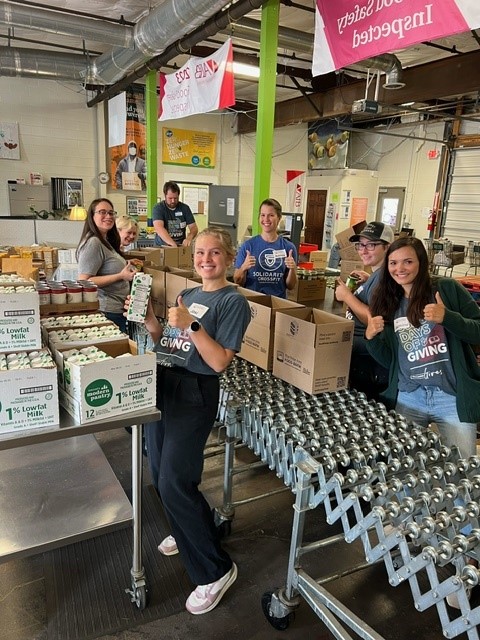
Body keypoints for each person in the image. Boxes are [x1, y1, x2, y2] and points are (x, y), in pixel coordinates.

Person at [137, 227, 251, 615]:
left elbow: (219, 361)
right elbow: (169, 344)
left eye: (214, 252)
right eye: (200, 252)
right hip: (165, 382)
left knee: (175, 480)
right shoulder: (188, 295)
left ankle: (215, 570)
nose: (206, 259)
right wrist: (151, 322)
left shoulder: (233, 302)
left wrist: (192, 324)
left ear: (229, 257)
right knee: (160, 474)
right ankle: (189, 530)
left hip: (195, 392)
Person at [365, 236, 480, 457]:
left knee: (463, 466)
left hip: (450, 397)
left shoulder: (446, 289)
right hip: (409, 396)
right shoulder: (388, 300)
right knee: (402, 465)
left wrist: (448, 317)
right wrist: (371, 338)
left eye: (408, 261)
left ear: (421, 262)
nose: (400, 268)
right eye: (393, 262)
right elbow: (391, 360)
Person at [335, 221, 394, 399]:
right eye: (360, 245)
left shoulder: (385, 277)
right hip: (363, 359)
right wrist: (369, 280)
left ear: (387, 247)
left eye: (371, 245)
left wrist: (347, 296)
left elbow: (374, 321)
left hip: (371, 364)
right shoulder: (378, 274)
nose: (363, 250)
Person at [77, 198, 136, 332]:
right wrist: (120, 276)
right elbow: (84, 281)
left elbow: (107, 265)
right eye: (102, 212)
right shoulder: (93, 243)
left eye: (111, 213)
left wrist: (126, 263)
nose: (108, 216)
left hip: (117, 310)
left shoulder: (105, 240)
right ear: (92, 216)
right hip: (107, 311)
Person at [233, 198, 298, 298]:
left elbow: (291, 286)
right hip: (253, 301)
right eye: (263, 215)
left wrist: (292, 269)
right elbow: (237, 281)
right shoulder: (248, 246)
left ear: (279, 218)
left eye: (271, 215)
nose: (266, 219)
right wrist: (243, 268)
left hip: (277, 302)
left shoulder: (288, 248)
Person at [152, 180, 198, 247]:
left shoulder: (185, 208)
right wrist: (172, 244)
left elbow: (194, 227)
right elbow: (159, 228)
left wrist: (189, 237)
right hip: (162, 246)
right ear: (165, 195)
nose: (173, 201)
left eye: (175, 198)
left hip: (180, 246)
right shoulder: (158, 208)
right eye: (170, 198)